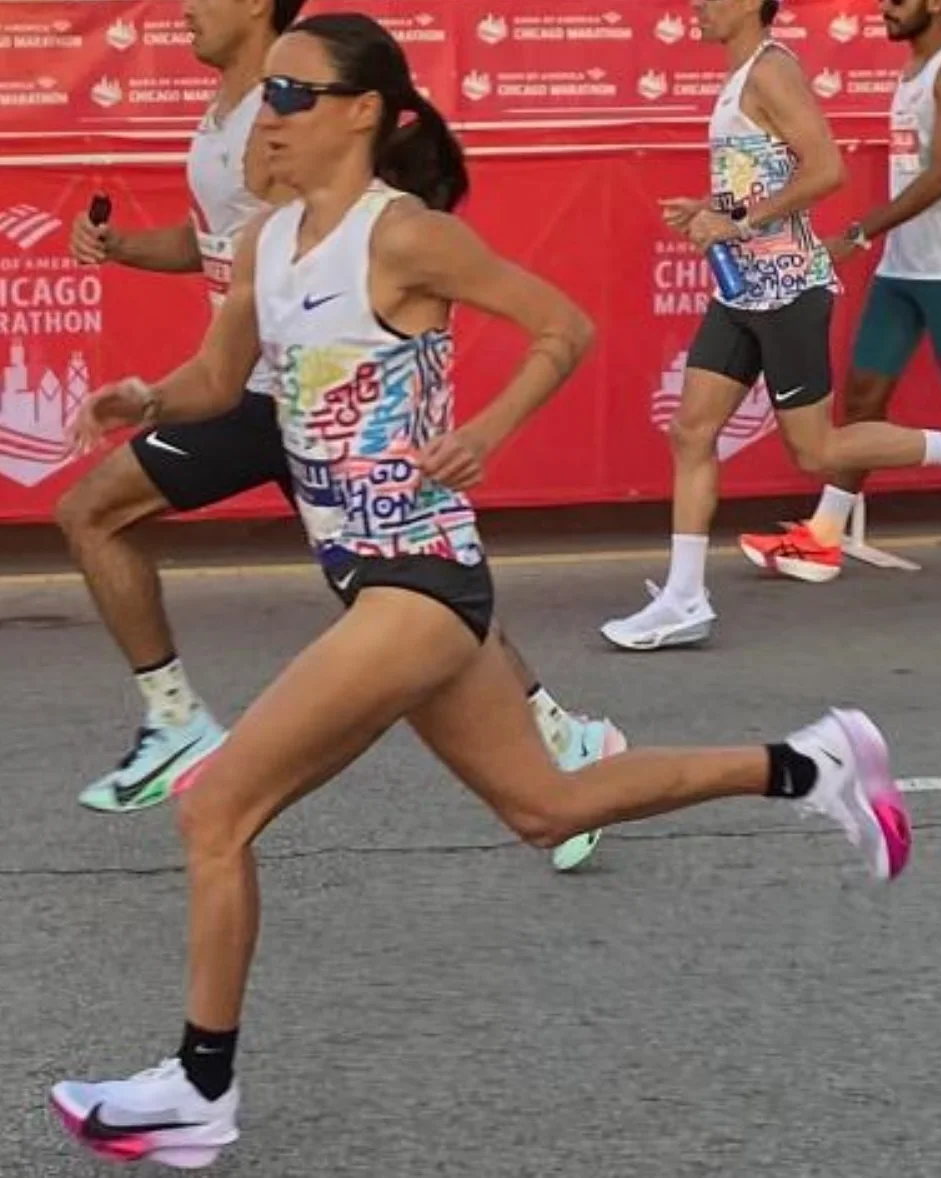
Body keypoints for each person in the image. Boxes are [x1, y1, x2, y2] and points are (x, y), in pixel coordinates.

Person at [48, 14, 913, 1168]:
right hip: (366, 577)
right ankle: (810, 761)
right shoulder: (263, 243)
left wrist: (492, 429)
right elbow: (219, 374)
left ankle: (199, 1088)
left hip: (421, 573)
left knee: (216, 808)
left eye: (297, 95)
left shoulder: (406, 237)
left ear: (365, 112)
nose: (273, 114)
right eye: (271, 94)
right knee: (545, 808)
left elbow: (563, 324)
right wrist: (143, 397)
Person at [58, 0, 621, 873]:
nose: (184, 12)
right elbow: (223, 251)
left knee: (103, 513)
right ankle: (562, 741)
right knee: (398, 592)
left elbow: (544, 319)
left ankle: (177, 722)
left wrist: (482, 426)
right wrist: (130, 269)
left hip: (282, 396)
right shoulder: (229, 126)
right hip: (268, 390)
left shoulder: (290, 125)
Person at [600, 0, 941, 652]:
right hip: (742, 289)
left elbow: (826, 170)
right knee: (691, 430)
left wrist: (739, 224)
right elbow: (764, 178)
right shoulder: (740, 74)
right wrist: (713, 207)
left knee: (817, 453)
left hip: (788, 291)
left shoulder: (772, 71)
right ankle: (682, 599)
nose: (695, 6)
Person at [738, 0, 941, 585]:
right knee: (863, 398)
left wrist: (858, 234)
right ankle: (825, 535)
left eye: (898, 0)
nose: (886, 9)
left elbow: (939, 177)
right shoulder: (913, 68)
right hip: (903, 266)